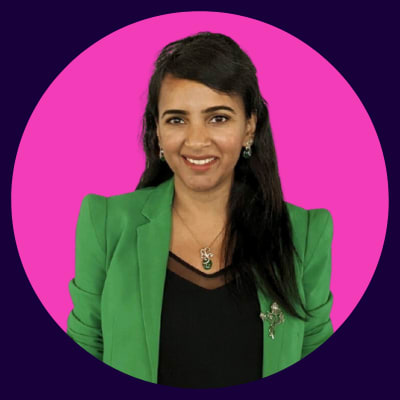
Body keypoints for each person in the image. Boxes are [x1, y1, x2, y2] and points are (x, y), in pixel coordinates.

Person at [67, 32, 334, 388]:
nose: (196, 141)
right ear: (157, 131)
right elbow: (84, 349)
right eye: (177, 120)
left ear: (249, 126)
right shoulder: (106, 223)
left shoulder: (305, 232)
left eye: (218, 118)